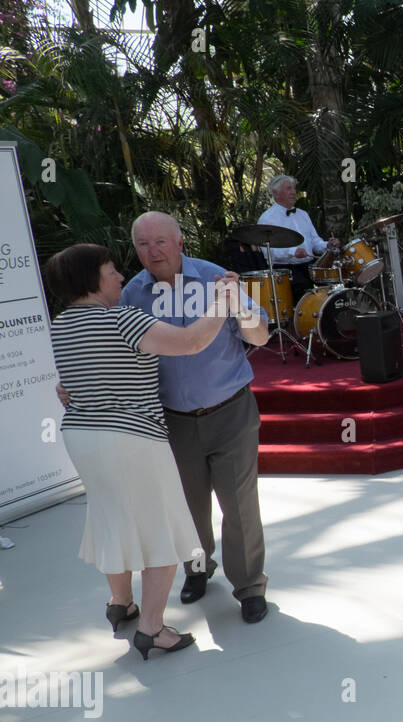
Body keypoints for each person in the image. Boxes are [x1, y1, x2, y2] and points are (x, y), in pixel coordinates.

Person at [44, 244, 243, 658]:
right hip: (132, 437)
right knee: (163, 530)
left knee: (110, 516)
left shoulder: (61, 325)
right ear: (92, 279)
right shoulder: (123, 319)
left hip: (82, 437)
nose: (120, 277)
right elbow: (191, 342)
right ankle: (152, 628)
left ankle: (121, 605)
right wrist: (224, 301)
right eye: (111, 269)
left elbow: (75, 382)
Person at [122, 212, 273, 624]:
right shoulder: (133, 293)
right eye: (142, 245)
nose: (152, 252)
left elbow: (259, 335)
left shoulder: (215, 278)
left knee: (239, 504)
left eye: (160, 242)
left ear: (180, 241)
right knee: (187, 506)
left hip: (231, 409)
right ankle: (198, 568)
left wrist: (237, 305)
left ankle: (249, 585)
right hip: (173, 419)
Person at [257, 174, 339, 298]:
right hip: (286, 271)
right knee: (305, 292)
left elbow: (315, 242)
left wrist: (327, 245)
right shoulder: (267, 218)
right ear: (276, 193)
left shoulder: (303, 214)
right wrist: (293, 252)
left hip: (309, 266)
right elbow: (269, 251)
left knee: (335, 285)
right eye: (288, 188)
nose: (293, 192)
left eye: (294, 188)